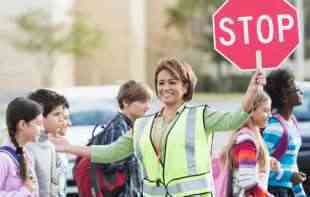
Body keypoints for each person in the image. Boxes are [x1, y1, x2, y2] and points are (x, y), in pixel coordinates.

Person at [50, 58, 265, 196]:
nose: (165, 87)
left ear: (185, 86)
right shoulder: (144, 124)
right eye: (161, 83)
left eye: (172, 82)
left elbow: (235, 119)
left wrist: (252, 91)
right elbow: (111, 152)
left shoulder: (200, 115)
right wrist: (69, 148)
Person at [217, 89, 273, 196]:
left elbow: (245, 166)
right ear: (251, 111)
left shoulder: (247, 136)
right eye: (265, 111)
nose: (270, 115)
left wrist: (268, 161)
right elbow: (247, 181)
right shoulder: (246, 141)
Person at [263, 69, 307, 197]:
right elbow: (260, 165)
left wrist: (300, 194)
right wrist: (289, 176)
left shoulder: (292, 122)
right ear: (284, 97)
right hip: (274, 191)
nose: (301, 91)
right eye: (296, 89)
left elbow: (292, 166)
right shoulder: (274, 129)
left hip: (287, 191)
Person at [26, 89, 67, 197]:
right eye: (56, 114)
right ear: (38, 117)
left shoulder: (49, 146)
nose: (62, 119)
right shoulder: (26, 148)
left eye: (62, 114)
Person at [0, 97, 43, 196]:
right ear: (23, 124)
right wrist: (24, 191)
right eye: (38, 124)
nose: (42, 129)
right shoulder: (3, 158)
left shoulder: (26, 154)